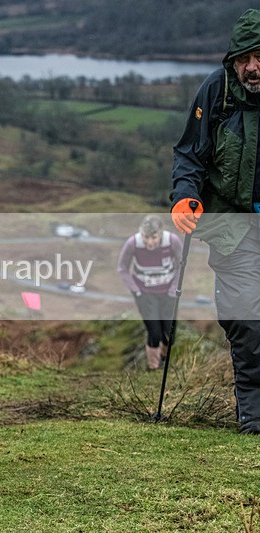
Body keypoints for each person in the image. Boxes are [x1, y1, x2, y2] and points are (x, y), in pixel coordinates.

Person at [171, 8, 260, 433]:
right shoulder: (218, 90)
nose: (253, 67)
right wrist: (184, 197)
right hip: (232, 227)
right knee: (246, 319)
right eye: (245, 58)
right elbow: (189, 153)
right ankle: (254, 419)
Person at [116, 215, 182, 369]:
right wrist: (136, 291)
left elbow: (181, 266)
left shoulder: (172, 241)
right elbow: (122, 268)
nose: (150, 242)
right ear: (141, 234)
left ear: (160, 233)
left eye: (154, 237)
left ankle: (164, 359)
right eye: (146, 237)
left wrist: (174, 289)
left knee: (169, 334)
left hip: (168, 293)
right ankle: (153, 367)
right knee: (154, 333)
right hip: (145, 293)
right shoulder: (133, 243)